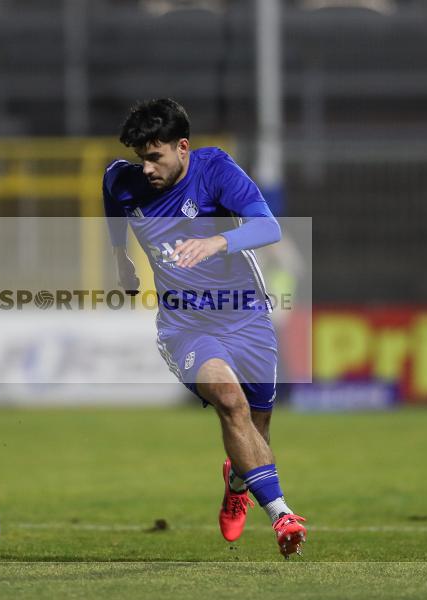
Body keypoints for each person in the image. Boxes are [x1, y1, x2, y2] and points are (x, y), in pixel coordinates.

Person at [102, 98, 306, 558]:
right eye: (142, 158)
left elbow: (268, 227)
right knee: (229, 401)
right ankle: (282, 515)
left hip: (245, 313)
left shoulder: (215, 170)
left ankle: (237, 479)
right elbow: (113, 206)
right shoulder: (122, 179)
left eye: (156, 157)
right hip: (184, 324)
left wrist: (217, 240)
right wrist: (122, 260)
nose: (147, 168)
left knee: (257, 426)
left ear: (183, 147)